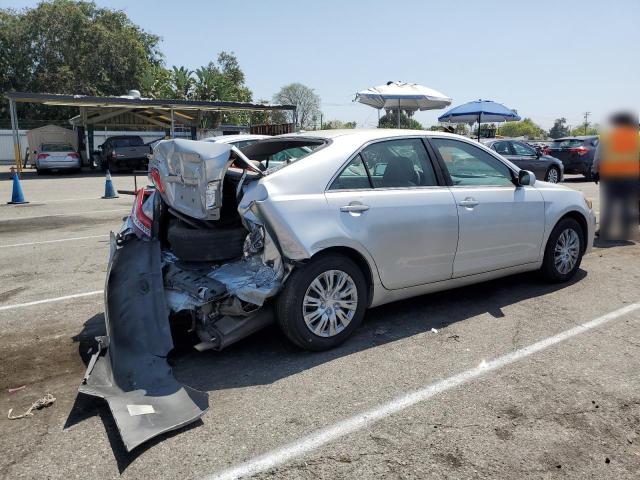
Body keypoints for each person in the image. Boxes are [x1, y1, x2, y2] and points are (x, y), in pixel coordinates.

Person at [592, 111, 640, 240]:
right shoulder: (637, 137)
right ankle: (625, 231)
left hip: (610, 175)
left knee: (608, 203)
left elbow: (598, 157)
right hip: (630, 176)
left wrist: (595, 171)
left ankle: (605, 230)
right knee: (627, 203)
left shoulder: (608, 136)